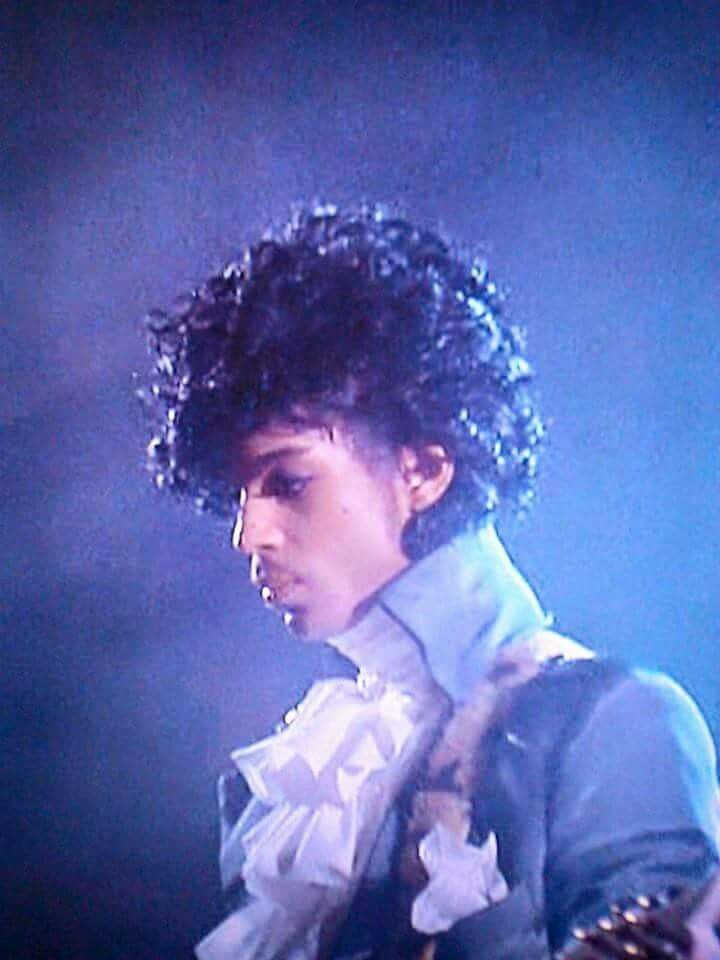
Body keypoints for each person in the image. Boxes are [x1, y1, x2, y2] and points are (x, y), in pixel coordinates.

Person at [142, 203, 720, 960]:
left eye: (286, 482)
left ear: (422, 470)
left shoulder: (610, 719)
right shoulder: (285, 788)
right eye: (240, 495)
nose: (249, 535)